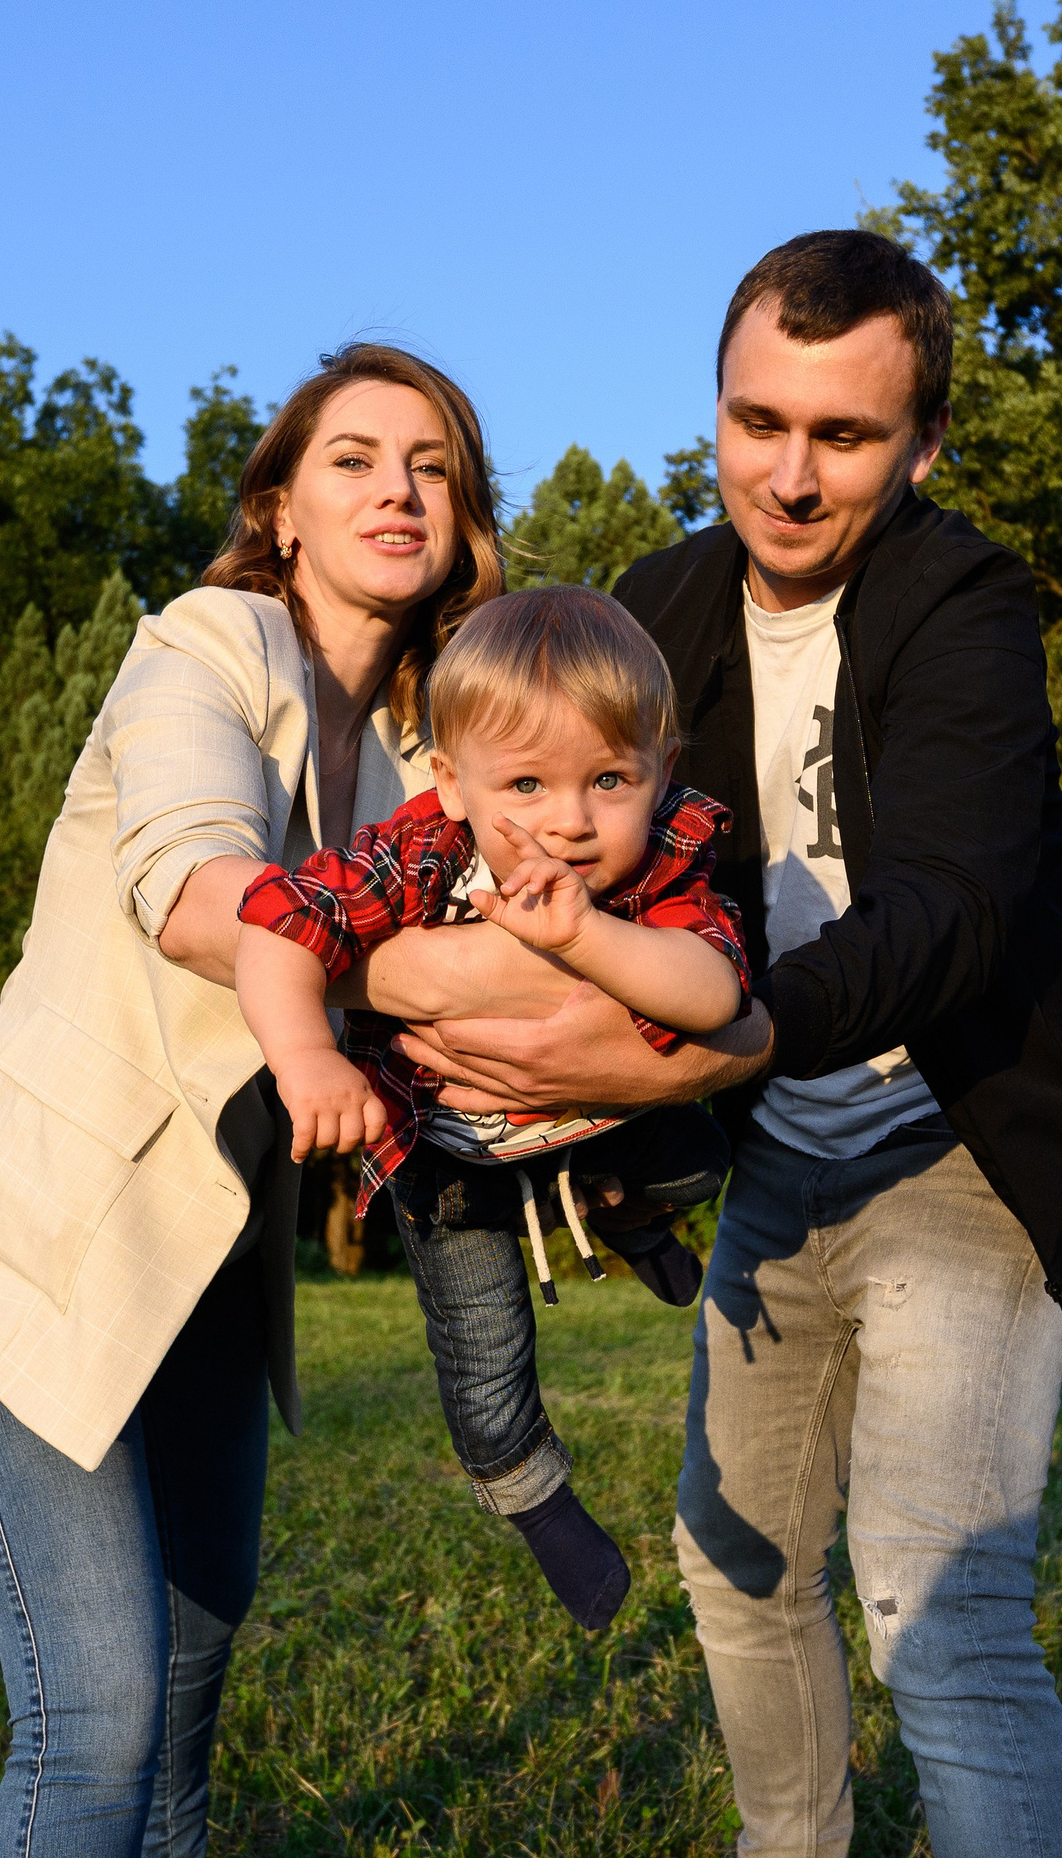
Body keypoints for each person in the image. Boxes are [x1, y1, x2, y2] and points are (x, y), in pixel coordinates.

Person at [392, 230, 1062, 1856]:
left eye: (844, 437)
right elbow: (518, 775)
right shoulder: (662, 610)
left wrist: (727, 1045)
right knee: (741, 1567)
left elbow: (954, 915)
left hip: (962, 1144)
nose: (787, 479)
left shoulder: (969, 610)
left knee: (943, 1611)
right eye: (755, 424)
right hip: (781, 1163)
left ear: (924, 445)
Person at [0, 342, 505, 1857]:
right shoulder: (205, 644)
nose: (396, 489)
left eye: (431, 465)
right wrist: (328, 1013)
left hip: (217, 1273)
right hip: (40, 1241)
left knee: (181, 1713)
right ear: (281, 508)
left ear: (466, 520)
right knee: (93, 1729)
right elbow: (193, 877)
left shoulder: (436, 749)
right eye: (351, 459)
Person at [233, 582, 748, 1630]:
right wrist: (304, 1059)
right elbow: (280, 923)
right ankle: (530, 1490)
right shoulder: (419, 853)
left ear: (660, 771)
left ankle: (628, 1208)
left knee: (702, 1154)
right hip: (449, 1147)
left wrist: (585, 939)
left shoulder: (658, 865)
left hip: (603, 1118)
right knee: (481, 1355)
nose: (568, 823)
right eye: (526, 783)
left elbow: (715, 993)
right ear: (452, 782)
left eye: (610, 779)